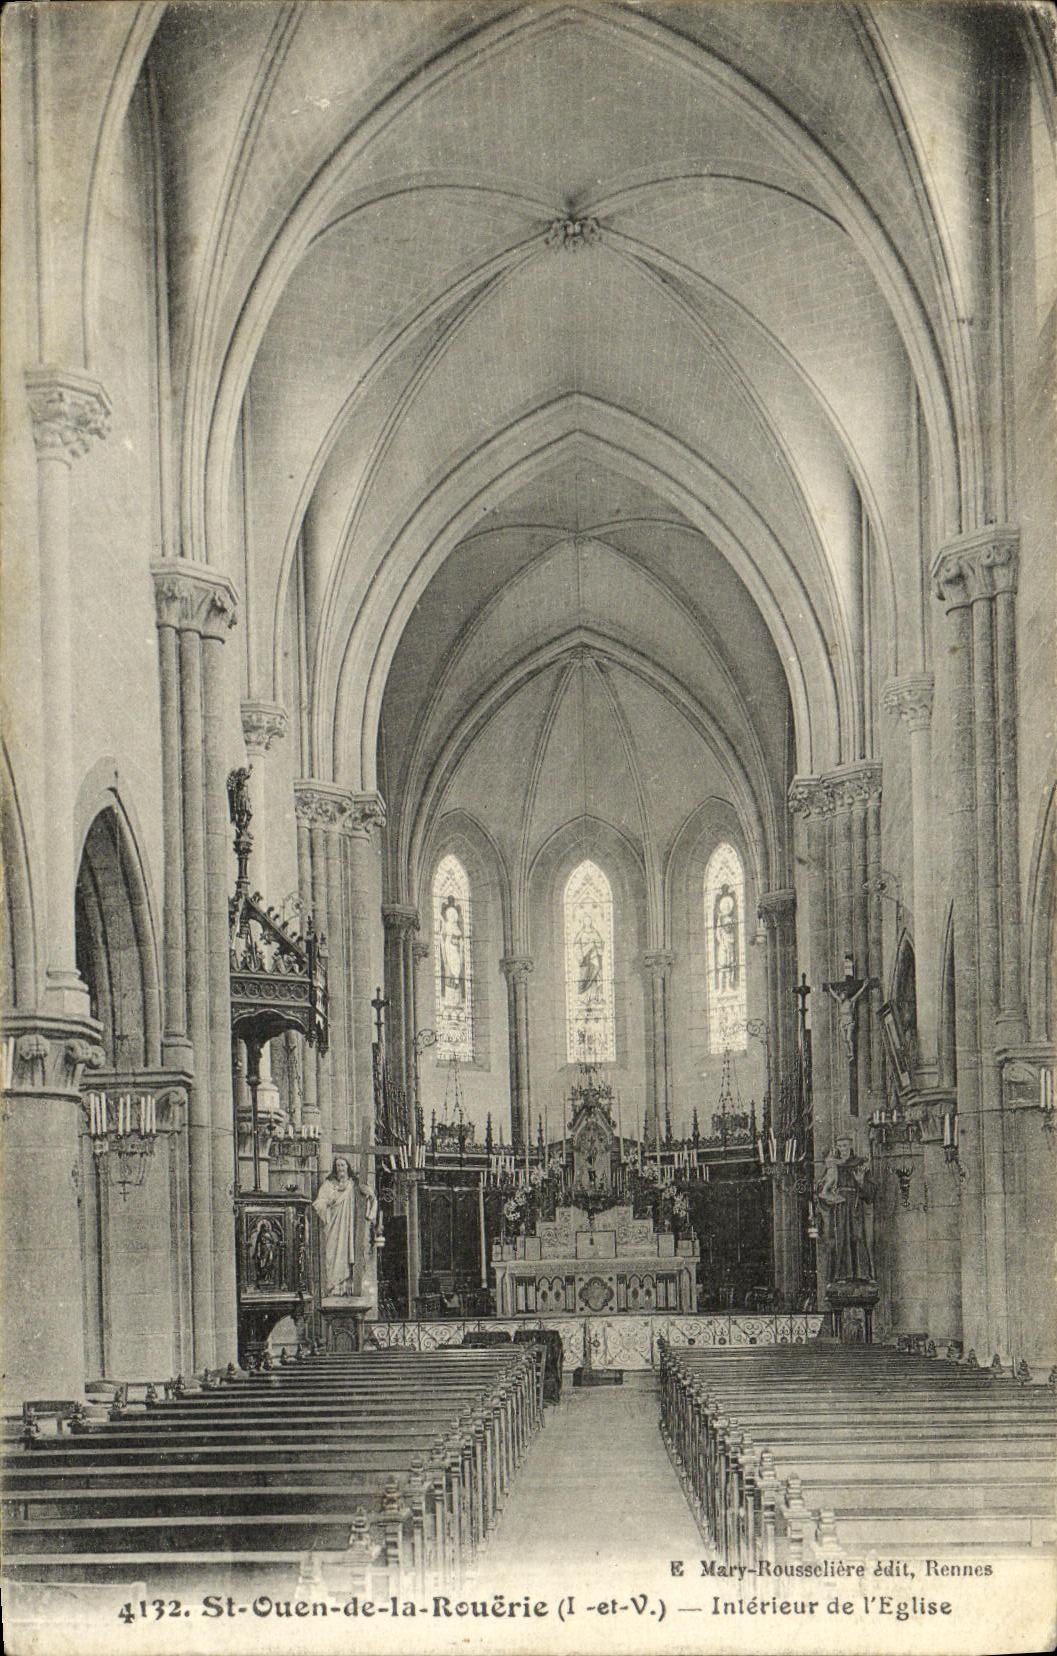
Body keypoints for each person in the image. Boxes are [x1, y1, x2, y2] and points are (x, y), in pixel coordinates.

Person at [313, 1156, 377, 1297]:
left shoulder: (354, 1185)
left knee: (350, 1253)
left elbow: (370, 1198)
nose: (340, 1168)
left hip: (350, 1228)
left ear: (348, 1167)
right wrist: (329, 1202)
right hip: (333, 1228)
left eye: (343, 1165)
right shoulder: (329, 1185)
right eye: (338, 1165)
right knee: (332, 1254)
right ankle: (333, 1287)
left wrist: (370, 1196)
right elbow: (318, 1203)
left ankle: (347, 1287)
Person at [814, 1135, 875, 1282]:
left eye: (845, 1146)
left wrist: (861, 1182)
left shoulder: (859, 1163)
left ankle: (861, 1275)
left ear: (851, 1146)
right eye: (840, 1146)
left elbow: (871, 1193)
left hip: (854, 1205)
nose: (843, 1149)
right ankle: (840, 1275)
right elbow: (822, 1187)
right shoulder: (833, 1165)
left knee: (857, 1236)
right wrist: (826, 1196)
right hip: (839, 1206)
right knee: (839, 1238)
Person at [438, 896, 464, 1005]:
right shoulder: (446, 926)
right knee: (449, 972)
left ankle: (457, 999)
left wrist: (459, 942)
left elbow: (461, 939)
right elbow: (443, 938)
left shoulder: (457, 927)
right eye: (450, 914)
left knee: (457, 972)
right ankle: (449, 1000)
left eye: (453, 915)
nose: (452, 917)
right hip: (449, 950)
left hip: (456, 951)